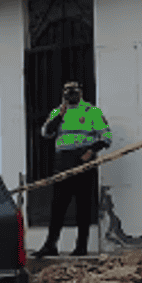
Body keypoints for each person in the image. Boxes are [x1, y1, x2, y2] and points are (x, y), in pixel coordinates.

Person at [35, 81, 111, 258]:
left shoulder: (92, 111)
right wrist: (59, 116)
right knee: (58, 206)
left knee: (83, 205)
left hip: (83, 161)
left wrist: (91, 151)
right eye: (67, 92)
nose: (70, 95)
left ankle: (81, 246)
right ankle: (50, 245)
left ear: (81, 93)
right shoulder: (58, 112)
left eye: (73, 91)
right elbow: (46, 132)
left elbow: (106, 136)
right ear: (63, 94)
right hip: (62, 162)